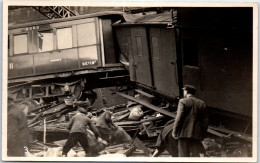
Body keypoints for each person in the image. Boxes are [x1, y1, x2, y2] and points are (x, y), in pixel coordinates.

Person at [172, 85, 208, 157]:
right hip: (196, 135)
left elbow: (179, 118)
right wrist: (203, 134)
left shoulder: (182, 101)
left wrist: (174, 131)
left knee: (183, 157)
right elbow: (205, 121)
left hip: (183, 134)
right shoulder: (201, 103)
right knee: (196, 156)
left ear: (186, 91)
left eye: (184, 91)